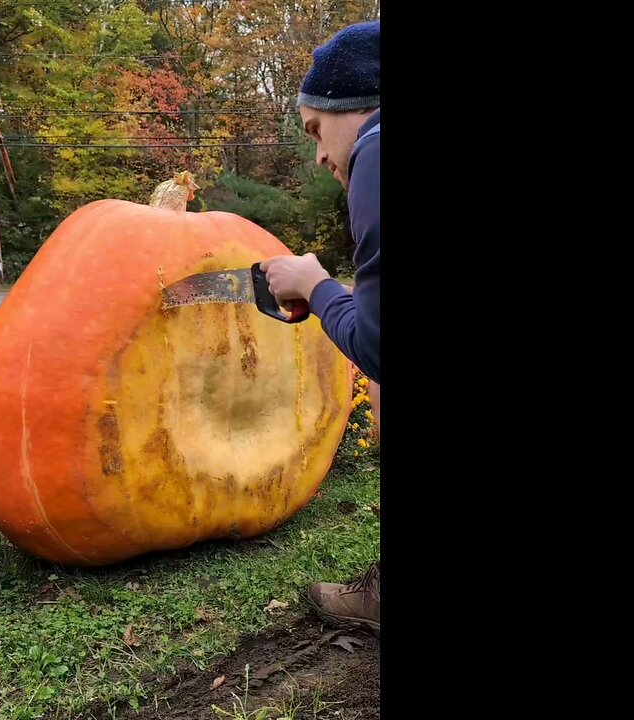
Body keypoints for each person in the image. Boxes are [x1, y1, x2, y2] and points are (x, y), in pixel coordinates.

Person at [260, 19, 381, 636]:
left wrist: (314, 285)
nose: (321, 156)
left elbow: (380, 347)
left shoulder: (376, 152)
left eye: (316, 130)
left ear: (359, 106)